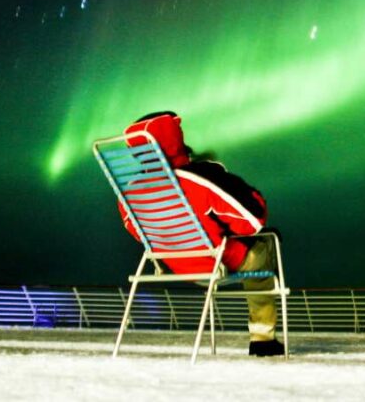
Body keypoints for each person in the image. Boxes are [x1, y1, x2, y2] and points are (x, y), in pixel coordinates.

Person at [117, 111, 284, 357]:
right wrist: (223, 178)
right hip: (216, 262)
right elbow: (253, 220)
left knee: (256, 242)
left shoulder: (130, 194)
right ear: (176, 139)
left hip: (177, 268)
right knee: (265, 244)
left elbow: (139, 232)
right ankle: (263, 339)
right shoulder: (200, 178)